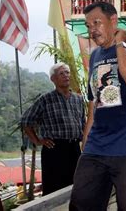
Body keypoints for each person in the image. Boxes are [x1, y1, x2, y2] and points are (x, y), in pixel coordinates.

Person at [70, 2, 126, 210]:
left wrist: (120, 44)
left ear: (113, 20)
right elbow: (93, 104)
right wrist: (85, 143)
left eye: (96, 23)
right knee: (81, 205)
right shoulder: (95, 56)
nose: (92, 30)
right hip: (96, 148)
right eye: (88, 26)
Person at [21, 63, 85, 196]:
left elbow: (83, 124)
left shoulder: (78, 99)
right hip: (54, 149)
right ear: (53, 79)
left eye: (67, 72)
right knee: (54, 188)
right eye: (61, 73)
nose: (66, 76)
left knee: (76, 187)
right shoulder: (45, 99)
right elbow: (26, 121)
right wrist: (38, 141)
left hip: (74, 148)